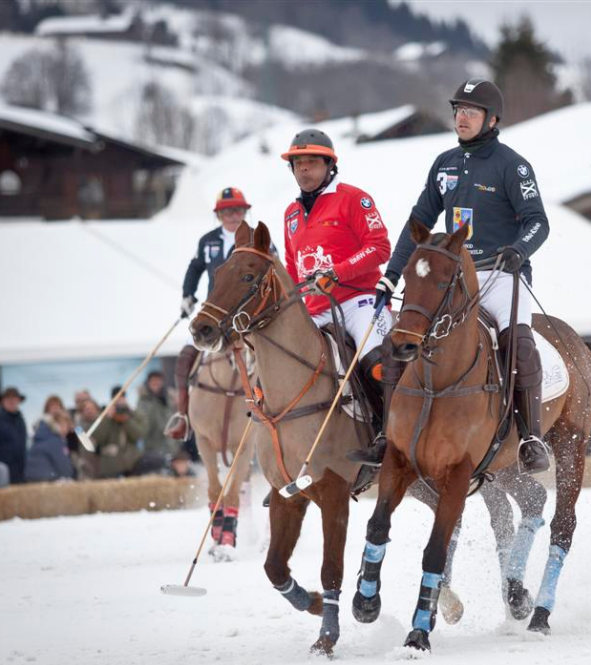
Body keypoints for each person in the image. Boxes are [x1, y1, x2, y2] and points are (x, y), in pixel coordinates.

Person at [350, 78, 552, 473]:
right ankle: (388, 434)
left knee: (518, 341)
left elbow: (538, 222)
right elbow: (419, 221)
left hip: (500, 274)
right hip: (451, 277)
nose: (462, 117)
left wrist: (519, 250)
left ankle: (530, 436)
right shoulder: (444, 163)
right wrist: (392, 274)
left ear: (491, 119)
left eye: (471, 111)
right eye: (459, 110)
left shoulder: (513, 165)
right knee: (402, 336)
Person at [278, 128, 394, 449]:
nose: (304, 169)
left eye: (312, 162)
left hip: (359, 302)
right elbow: (292, 267)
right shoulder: (290, 214)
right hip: (314, 311)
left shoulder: (354, 198)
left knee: (377, 365)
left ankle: (391, 436)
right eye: (298, 163)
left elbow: (379, 248)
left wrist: (338, 273)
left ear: (330, 165)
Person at [166, 187, 253, 440]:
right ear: (219, 215)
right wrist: (188, 295)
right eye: (227, 212)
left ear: (245, 212)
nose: (233, 216)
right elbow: (194, 268)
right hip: (215, 316)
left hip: (248, 315)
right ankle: (183, 417)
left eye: (238, 210)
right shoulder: (208, 241)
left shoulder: (256, 239)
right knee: (186, 356)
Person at [94, 387, 147, 479]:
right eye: (116, 399)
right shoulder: (104, 415)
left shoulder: (134, 414)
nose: (119, 401)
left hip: (132, 462)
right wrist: (108, 418)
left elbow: (138, 435)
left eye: (122, 398)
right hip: (111, 464)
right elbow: (99, 437)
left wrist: (125, 420)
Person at [0, 387, 28, 485]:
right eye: (8, 398)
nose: (12, 401)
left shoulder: (21, 421)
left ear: (19, 401)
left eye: (14, 398)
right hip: (1, 475)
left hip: (20, 474)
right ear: (2, 401)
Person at [25, 410, 76, 483]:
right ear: (55, 425)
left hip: (32, 477)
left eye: (67, 427)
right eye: (62, 426)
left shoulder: (42, 436)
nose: (65, 429)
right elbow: (63, 464)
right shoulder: (55, 441)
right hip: (47, 478)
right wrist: (70, 476)